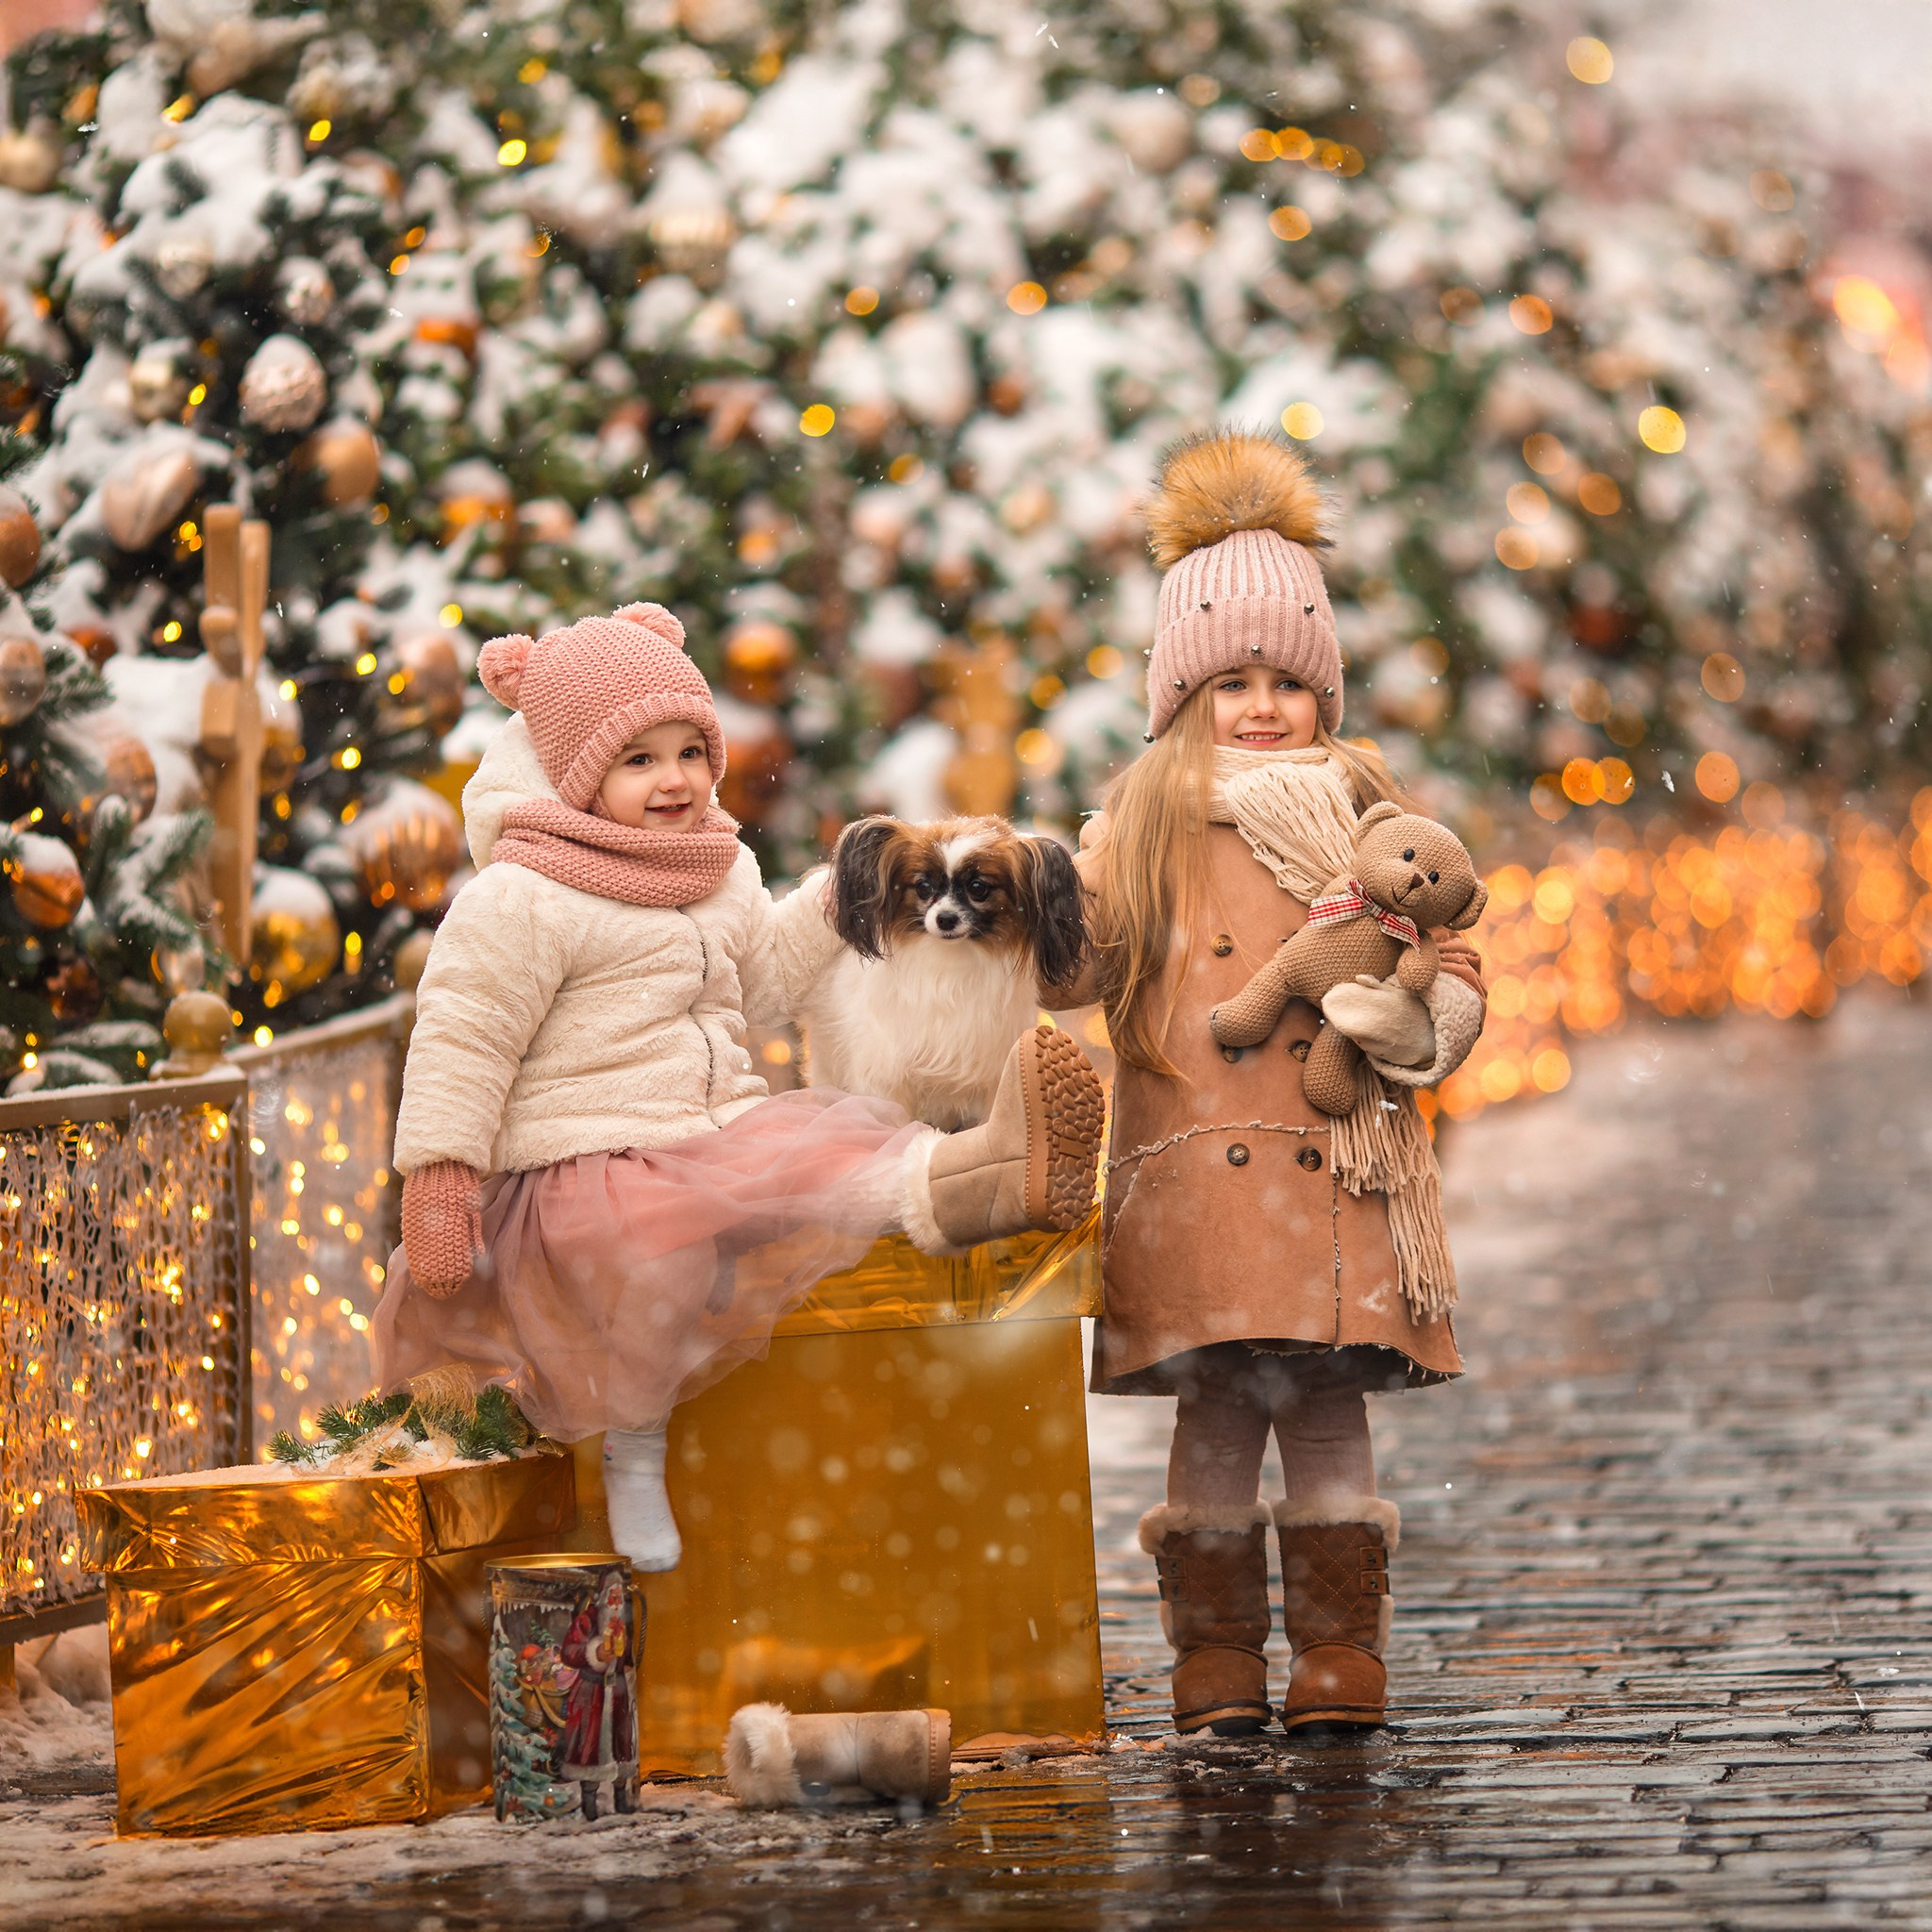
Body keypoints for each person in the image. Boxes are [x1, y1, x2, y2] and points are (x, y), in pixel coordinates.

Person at [373, 604, 1104, 1569]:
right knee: (653, 1253)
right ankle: (636, 1456)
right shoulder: (522, 895)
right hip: (584, 1159)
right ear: (575, 774)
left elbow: (757, 984)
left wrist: (827, 898)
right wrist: (438, 1175)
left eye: (688, 752)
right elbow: (462, 1036)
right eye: (637, 760)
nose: (672, 779)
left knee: (844, 1156)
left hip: (707, 1131)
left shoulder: (716, 871)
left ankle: (992, 1171)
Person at [1077, 430, 1488, 1738]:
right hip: (1195, 1169)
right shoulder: (1139, 824)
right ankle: (1211, 1662)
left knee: (1322, 1410)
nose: (1262, 707)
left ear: (1327, 695)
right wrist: (1019, 912)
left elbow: (1449, 944)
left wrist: (1436, 1018)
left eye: (1287, 682)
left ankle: (1336, 1655)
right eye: (1229, 679)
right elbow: (1077, 958)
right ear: (1177, 692)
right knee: (1211, 1419)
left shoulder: (1369, 813)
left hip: (1338, 1166)